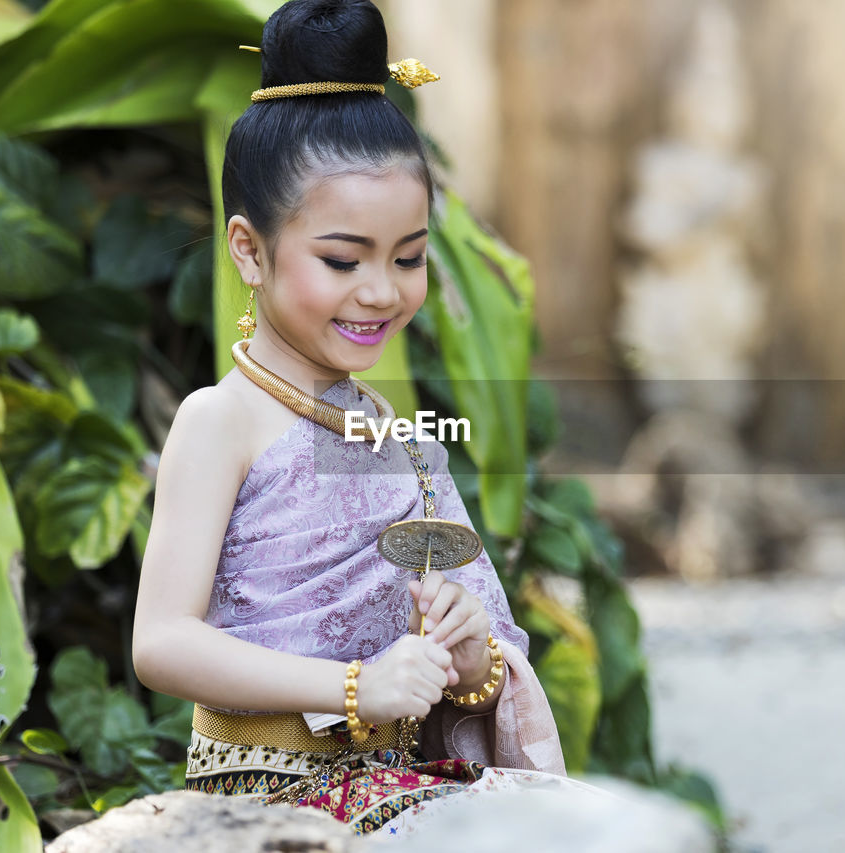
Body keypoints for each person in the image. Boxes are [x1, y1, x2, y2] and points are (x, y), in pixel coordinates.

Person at [131, 0, 567, 836]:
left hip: (394, 777)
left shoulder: (408, 449)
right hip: (263, 787)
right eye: (342, 259)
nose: (382, 290)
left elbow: (478, 672)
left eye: (409, 258)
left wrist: (472, 657)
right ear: (249, 250)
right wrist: (352, 688)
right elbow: (161, 642)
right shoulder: (220, 420)